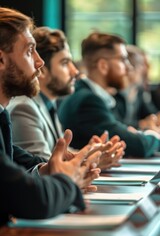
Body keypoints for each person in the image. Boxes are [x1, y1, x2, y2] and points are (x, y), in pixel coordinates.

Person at [0, 8, 104, 226]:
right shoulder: (20, 108)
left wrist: (55, 169)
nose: (39, 62)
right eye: (29, 51)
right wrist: (68, 180)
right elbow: (32, 199)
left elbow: (20, 166)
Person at [8, 26, 125, 169]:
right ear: (42, 70)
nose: (75, 71)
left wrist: (89, 152)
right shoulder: (24, 107)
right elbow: (45, 167)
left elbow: (58, 155)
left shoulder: (47, 104)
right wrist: (90, 162)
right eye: (64, 63)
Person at [58, 32, 160, 157]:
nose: (129, 67)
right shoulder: (87, 100)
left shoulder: (95, 96)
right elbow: (137, 146)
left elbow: (125, 130)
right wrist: (154, 134)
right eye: (122, 59)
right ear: (103, 66)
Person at [113, 44, 160, 132]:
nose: (144, 70)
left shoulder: (138, 90)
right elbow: (116, 124)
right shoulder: (114, 92)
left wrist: (153, 119)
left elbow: (150, 113)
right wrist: (141, 124)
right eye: (141, 65)